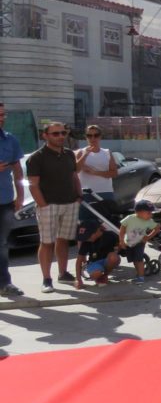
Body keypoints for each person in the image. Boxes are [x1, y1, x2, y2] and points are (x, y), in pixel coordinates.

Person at [27, 121, 80, 293]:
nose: (60, 136)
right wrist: (43, 205)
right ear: (45, 135)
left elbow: (74, 176)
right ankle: (46, 279)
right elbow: (33, 185)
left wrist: (78, 196)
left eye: (63, 133)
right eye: (55, 133)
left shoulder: (70, 154)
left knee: (64, 239)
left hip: (70, 203)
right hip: (48, 205)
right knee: (47, 242)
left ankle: (63, 273)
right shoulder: (37, 157)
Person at [0, 102, 25, 296]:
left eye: (3, 114)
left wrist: (21, 195)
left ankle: (4, 283)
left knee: (2, 244)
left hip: (5, 200)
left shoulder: (10, 140)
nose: (2, 118)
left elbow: (17, 170)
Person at [118, 200, 160, 284]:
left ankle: (141, 277)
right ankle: (139, 274)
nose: (151, 215)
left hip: (139, 242)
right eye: (148, 213)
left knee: (139, 260)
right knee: (134, 260)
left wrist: (148, 237)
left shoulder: (149, 221)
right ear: (138, 212)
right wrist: (121, 241)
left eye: (151, 213)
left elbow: (157, 227)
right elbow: (122, 229)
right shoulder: (130, 218)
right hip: (129, 243)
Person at [75, 125, 116, 210]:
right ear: (86, 137)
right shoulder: (80, 152)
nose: (93, 138)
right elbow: (75, 170)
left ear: (100, 136)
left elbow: (114, 173)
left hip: (105, 191)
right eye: (89, 136)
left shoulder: (107, 152)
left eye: (96, 135)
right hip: (85, 193)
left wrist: (95, 172)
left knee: (107, 220)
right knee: (86, 221)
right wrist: (85, 155)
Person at [74, 218, 119, 289]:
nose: (86, 239)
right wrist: (78, 280)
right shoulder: (86, 242)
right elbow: (79, 261)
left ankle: (104, 275)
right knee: (96, 273)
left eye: (88, 236)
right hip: (94, 263)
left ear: (97, 230)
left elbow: (121, 245)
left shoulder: (110, 235)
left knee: (114, 257)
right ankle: (98, 277)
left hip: (107, 260)